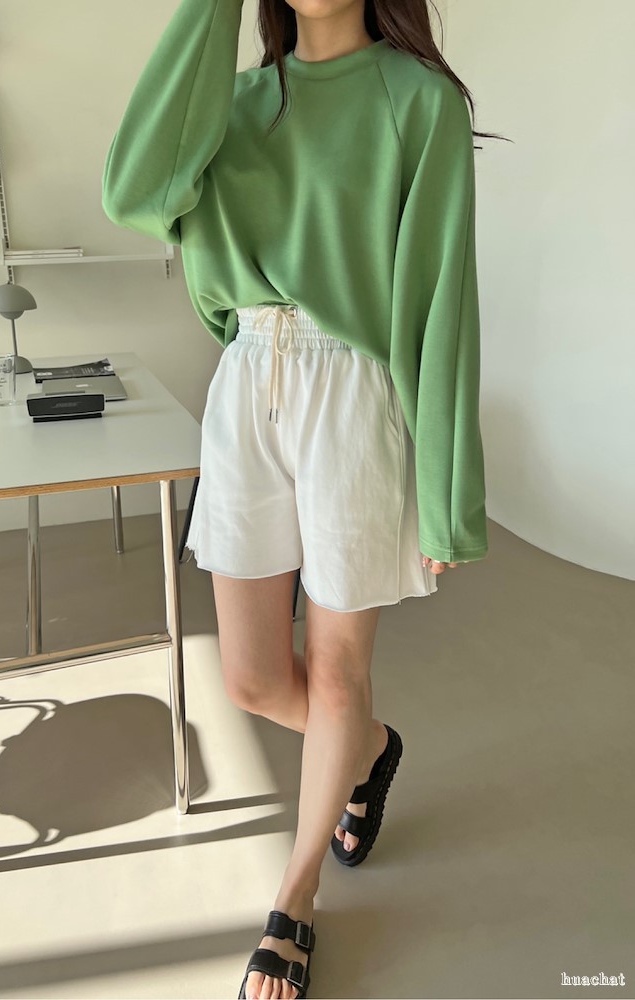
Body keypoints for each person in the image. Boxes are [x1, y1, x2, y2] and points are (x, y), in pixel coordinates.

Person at [103, 1, 495, 996]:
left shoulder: (417, 100)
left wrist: (448, 491)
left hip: (355, 390)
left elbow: (443, 297)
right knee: (248, 680)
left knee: (333, 673)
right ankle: (369, 751)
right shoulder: (231, 104)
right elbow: (133, 192)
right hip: (245, 381)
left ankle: (296, 895)